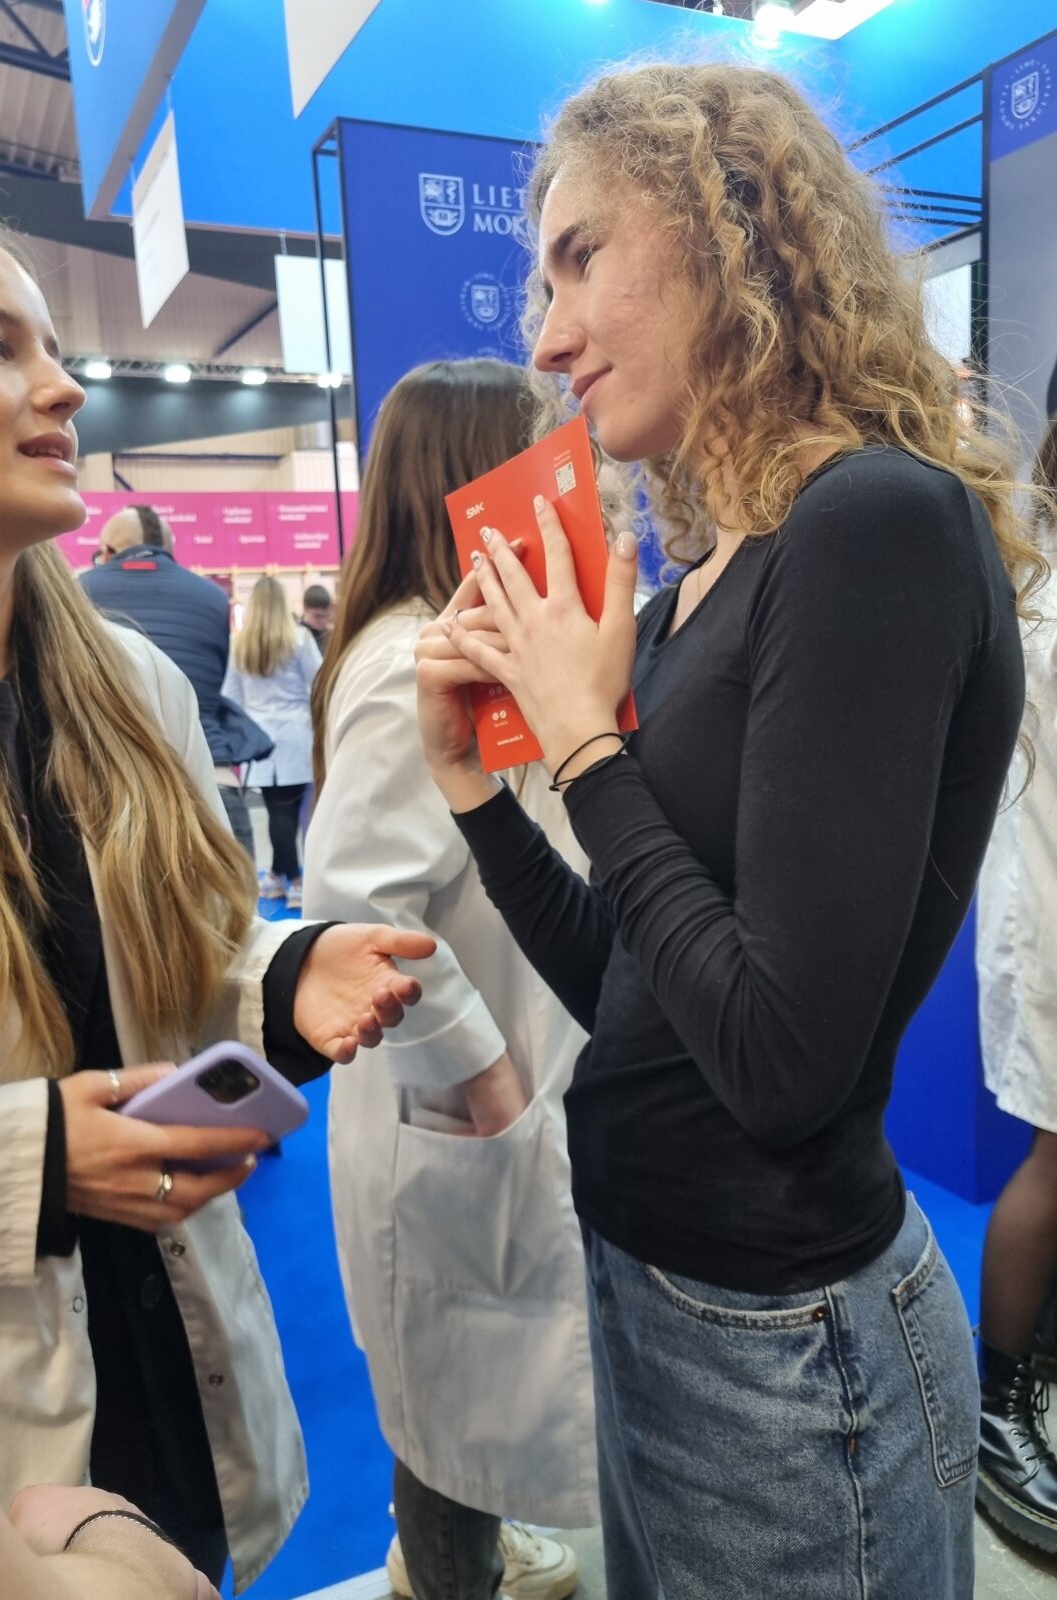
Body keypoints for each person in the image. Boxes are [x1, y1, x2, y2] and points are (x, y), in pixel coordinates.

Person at [414, 62, 1044, 1600]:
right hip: (658, 1287)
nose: (546, 336)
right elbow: (635, 994)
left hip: (784, 1347)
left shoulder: (872, 524)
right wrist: (476, 790)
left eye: (581, 258)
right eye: (541, 280)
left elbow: (778, 1063)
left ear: (733, 229)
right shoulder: (697, 584)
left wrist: (585, 747)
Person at [0, 181, 434, 1593]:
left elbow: (190, 955)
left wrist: (287, 976)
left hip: (176, 1349)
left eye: (54, 349)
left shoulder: (128, 687)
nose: (61, 388)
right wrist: (32, 1163)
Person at [306, 359, 591, 1600]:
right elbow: (357, 906)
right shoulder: (402, 662)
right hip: (455, 1092)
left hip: (498, 1078)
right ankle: (442, 1575)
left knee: (468, 1377)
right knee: (447, 1390)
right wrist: (483, 1078)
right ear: (475, 476)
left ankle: (464, 1548)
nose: (572, 483)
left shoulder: (462, 636)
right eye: (542, 455)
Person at [0, 877, 222, 1600]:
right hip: (2, 1408)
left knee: (198, 1518)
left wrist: (285, 976)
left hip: (152, 1333)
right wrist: (130, 1561)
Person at [975, 415, 1057, 1550]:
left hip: (1034, 906)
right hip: (1044, 925)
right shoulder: (1043, 598)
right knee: (1053, 1155)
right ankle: (998, 1406)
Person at [80, 504, 268, 855]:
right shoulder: (213, 597)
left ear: (106, 552)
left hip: (114, 792)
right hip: (213, 781)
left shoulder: (77, 593)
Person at [224, 576, 321, 908]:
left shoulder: (239, 643)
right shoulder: (300, 639)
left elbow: (230, 696)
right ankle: (295, 881)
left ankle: (279, 875)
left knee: (276, 810)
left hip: (258, 738)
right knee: (290, 813)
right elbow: (317, 686)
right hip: (297, 734)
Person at [301, 582, 335, 653]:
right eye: (318, 616)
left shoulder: (328, 636)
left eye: (325, 616)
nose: (322, 622)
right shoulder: (298, 637)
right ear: (305, 609)